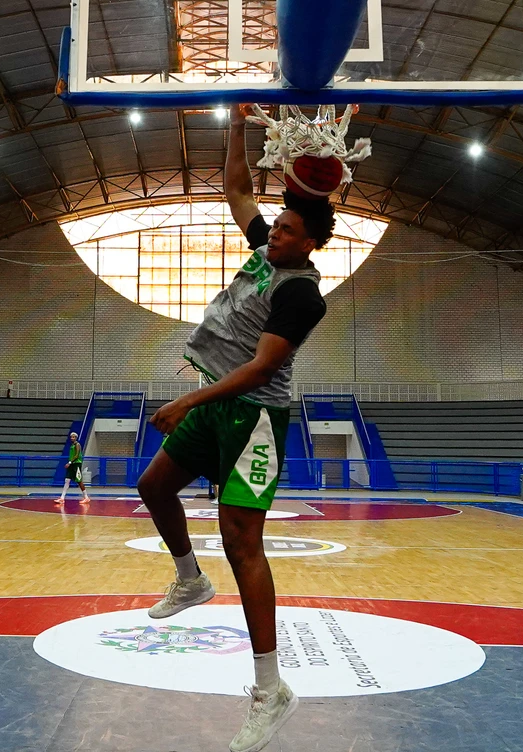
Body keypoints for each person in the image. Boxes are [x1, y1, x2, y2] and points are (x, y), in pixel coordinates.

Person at [135, 104, 331, 752]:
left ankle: (270, 691)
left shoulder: (301, 293)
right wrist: (238, 124)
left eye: (288, 231)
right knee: (154, 487)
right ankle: (190, 578)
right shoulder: (262, 249)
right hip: (218, 407)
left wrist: (189, 402)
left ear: (311, 243)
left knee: (244, 547)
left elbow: (260, 369)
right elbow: (236, 187)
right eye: (276, 225)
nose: (274, 234)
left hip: (255, 419)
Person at [56, 432, 90, 504]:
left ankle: (86, 497)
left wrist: (70, 462)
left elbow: (77, 455)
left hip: (76, 464)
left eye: (74, 437)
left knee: (79, 480)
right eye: (71, 437)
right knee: (67, 480)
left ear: (76, 438)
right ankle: (62, 498)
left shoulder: (77, 445)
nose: (72, 438)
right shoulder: (72, 445)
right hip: (72, 464)